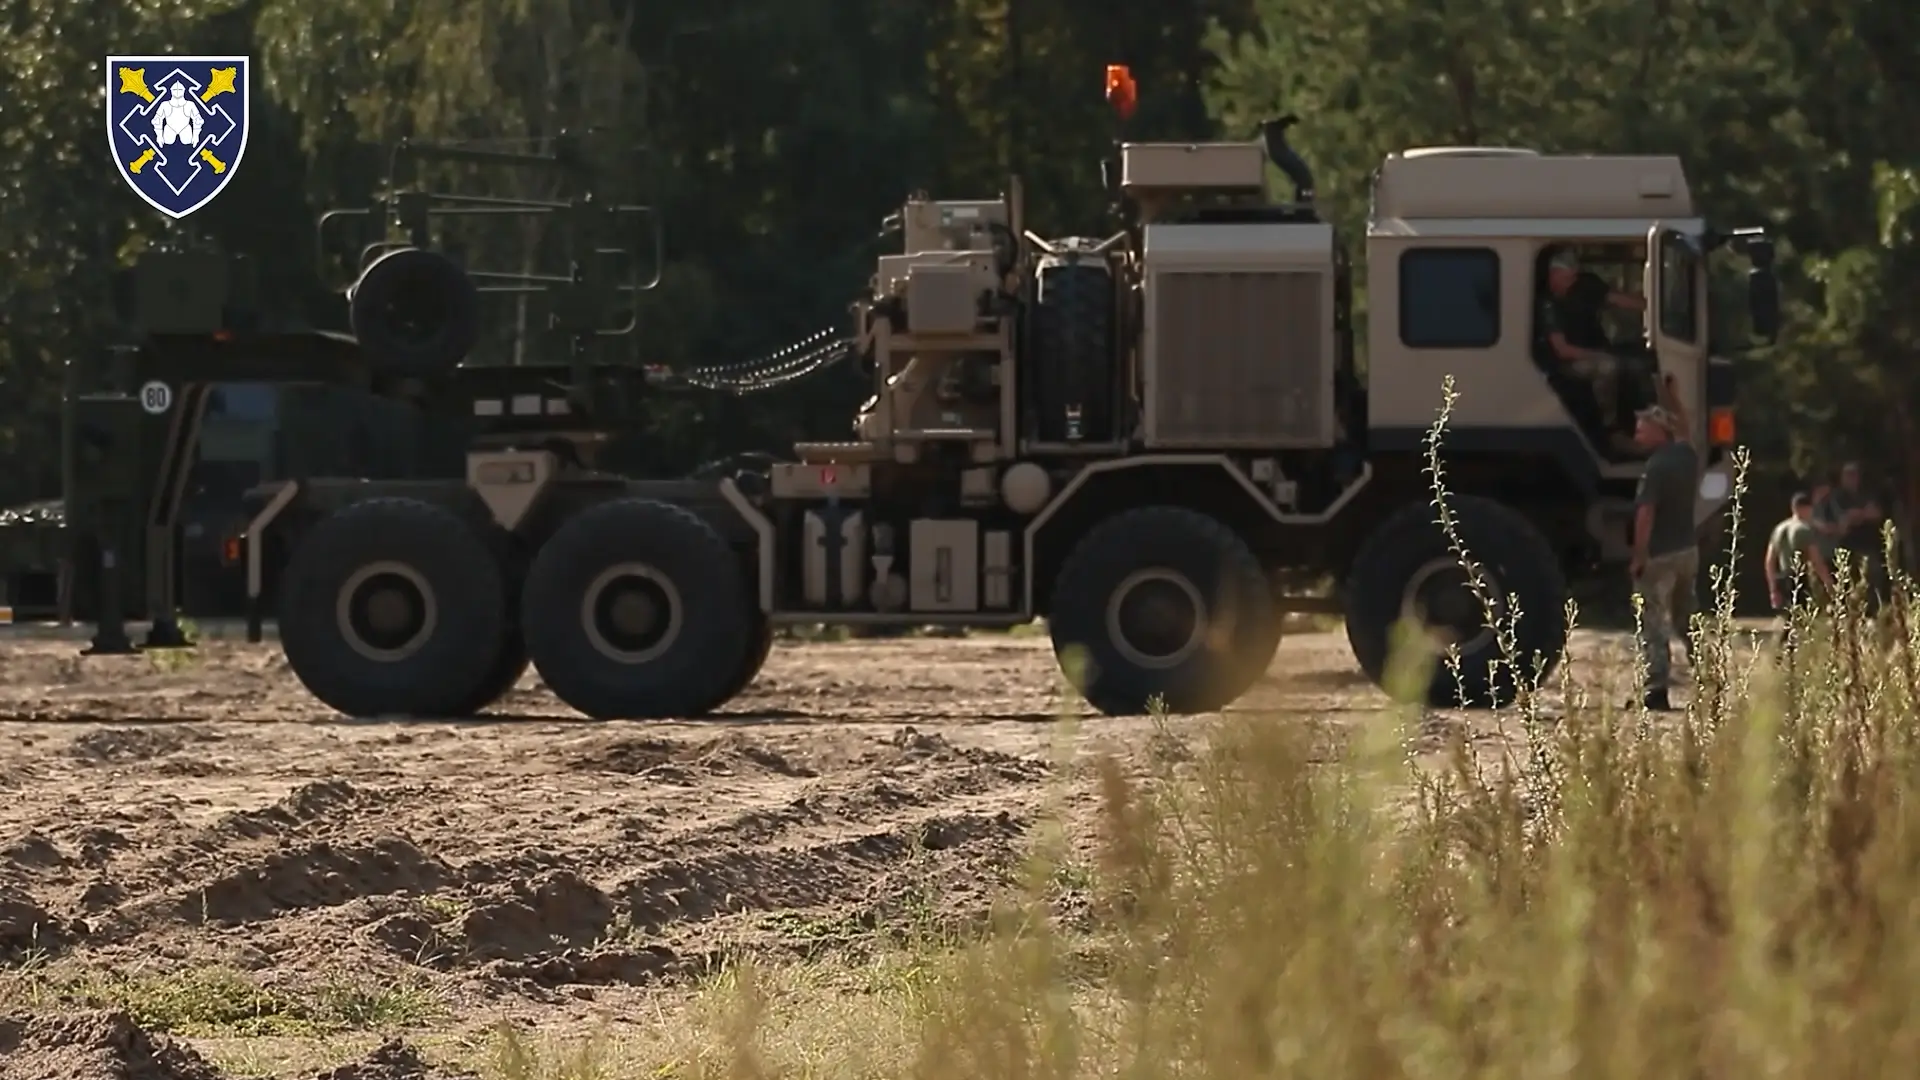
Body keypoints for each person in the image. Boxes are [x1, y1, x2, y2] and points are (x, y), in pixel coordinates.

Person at [1628, 403, 1699, 712]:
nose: (1636, 436)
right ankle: (1711, 678)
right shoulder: (1687, 458)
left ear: (1660, 431)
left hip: (1659, 555)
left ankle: (1655, 689)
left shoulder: (1655, 467)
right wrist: (1674, 397)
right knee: (1687, 617)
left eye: (1642, 430)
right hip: (1688, 551)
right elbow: (1685, 432)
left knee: (1652, 621)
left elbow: (1645, 513)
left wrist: (1639, 554)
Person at [1538, 247, 1647, 438]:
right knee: (1607, 367)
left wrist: (1653, 307)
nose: (1572, 282)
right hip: (1565, 363)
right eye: (1566, 278)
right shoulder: (1548, 304)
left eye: (1574, 277)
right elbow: (1563, 350)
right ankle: (1610, 431)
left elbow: (1618, 300)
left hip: (1598, 349)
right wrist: (1598, 354)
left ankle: (1643, 429)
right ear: (1553, 274)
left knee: (1639, 363)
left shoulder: (1585, 285)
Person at [1818, 461, 1884, 599]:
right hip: (1846, 546)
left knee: (1872, 577)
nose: (1851, 478)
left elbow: (1876, 513)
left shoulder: (1865, 494)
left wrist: (1857, 514)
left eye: (1854, 475)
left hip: (1867, 543)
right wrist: (1862, 514)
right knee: (1848, 581)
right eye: (1848, 475)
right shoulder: (1837, 496)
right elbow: (1843, 520)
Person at [1765, 491, 1835, 615]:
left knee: (1788, 617)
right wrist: (1828, 582)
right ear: (1805, 508)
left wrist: (1773, 588)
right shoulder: (1804, 530)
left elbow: (1769, 561)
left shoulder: (1779, 529)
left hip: (1783, 578)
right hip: (1800, 578)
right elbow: (1816, 560)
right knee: (1803, 617)